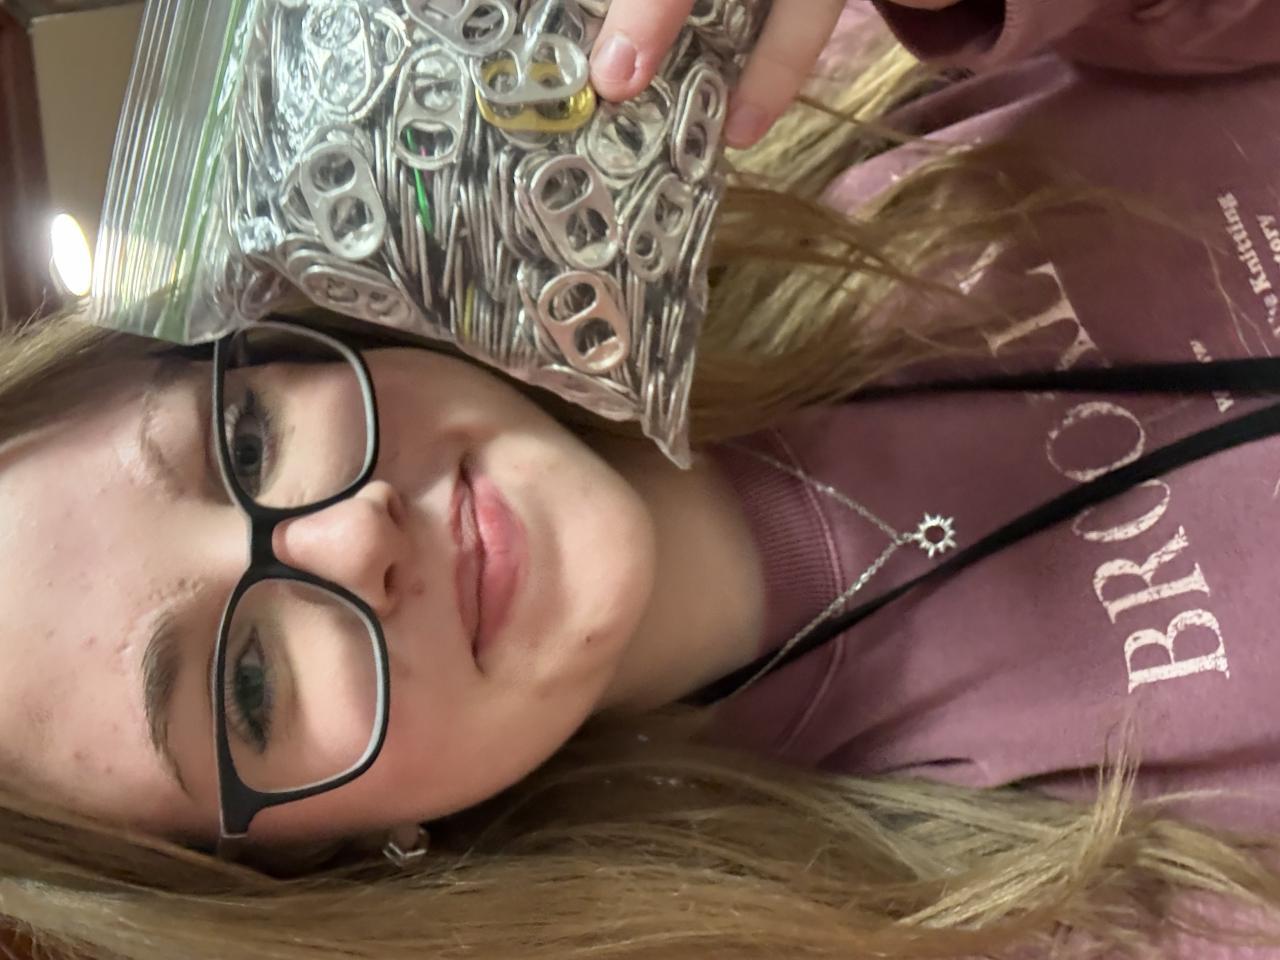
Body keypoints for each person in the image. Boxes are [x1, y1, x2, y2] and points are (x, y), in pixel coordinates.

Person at [1, 1, 1278, 958]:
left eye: (242, 445)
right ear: (307, 855)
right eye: (248, 685)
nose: (350, 537)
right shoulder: (967, 918)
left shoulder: (810, 102)